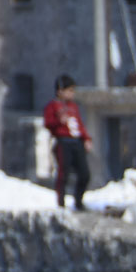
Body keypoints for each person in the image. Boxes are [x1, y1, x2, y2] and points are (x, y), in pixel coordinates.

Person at [42, 76, 91, 211]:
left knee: (84, 173)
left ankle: (78, 201)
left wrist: (86, 138)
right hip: (63, 143)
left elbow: (79, 125)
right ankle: (61, 203)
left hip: (77, 142)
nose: (72, 94)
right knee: (64, 173)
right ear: (60, 91)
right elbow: (48, 123)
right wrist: (59, 121)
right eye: (69, 90)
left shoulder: (73, 107)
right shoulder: (52, 106)